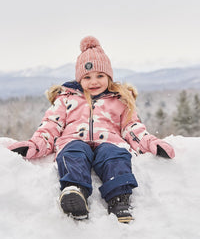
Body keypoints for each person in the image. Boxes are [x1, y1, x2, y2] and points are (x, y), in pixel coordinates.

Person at [8, 36, 175, 223]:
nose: (94, 82)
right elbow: (51, 125)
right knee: (72, 152)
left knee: (115, 155)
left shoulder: (119, 99)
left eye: (100, 76)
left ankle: (119, 198)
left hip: (109, 141)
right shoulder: (66, 99)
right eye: (87, 77)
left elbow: (132, 127)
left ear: (109, 76)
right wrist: (34, 145)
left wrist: (151, 144)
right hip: (74, 140)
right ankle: (75, 191)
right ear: (79, 79)